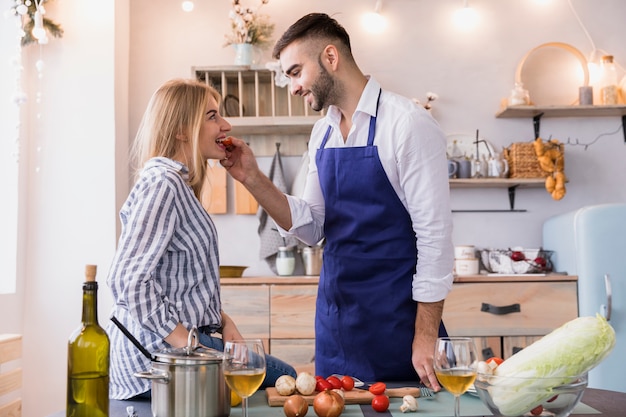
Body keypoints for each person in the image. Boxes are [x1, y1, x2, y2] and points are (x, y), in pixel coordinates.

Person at [220, 13, 454, 389]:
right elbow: (311, 228)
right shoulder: (322, 133)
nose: (292, 87)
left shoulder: (407, 124)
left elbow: (435, 238)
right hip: (337, 325)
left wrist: (425, 334)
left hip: (398, 324)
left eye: (296, 72)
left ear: (330, 57)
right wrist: (251, 177)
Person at [106, 78, 296, 400]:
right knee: (284, 377)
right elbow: (127, 280)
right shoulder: (164, 184)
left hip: (176, 345)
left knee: (276, 378)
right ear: (181, 129)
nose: (225, 124)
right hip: (158, 356)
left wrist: (224, 321)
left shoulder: (177, 185)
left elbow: (180, 284)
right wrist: (189, 345)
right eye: (212, 116)